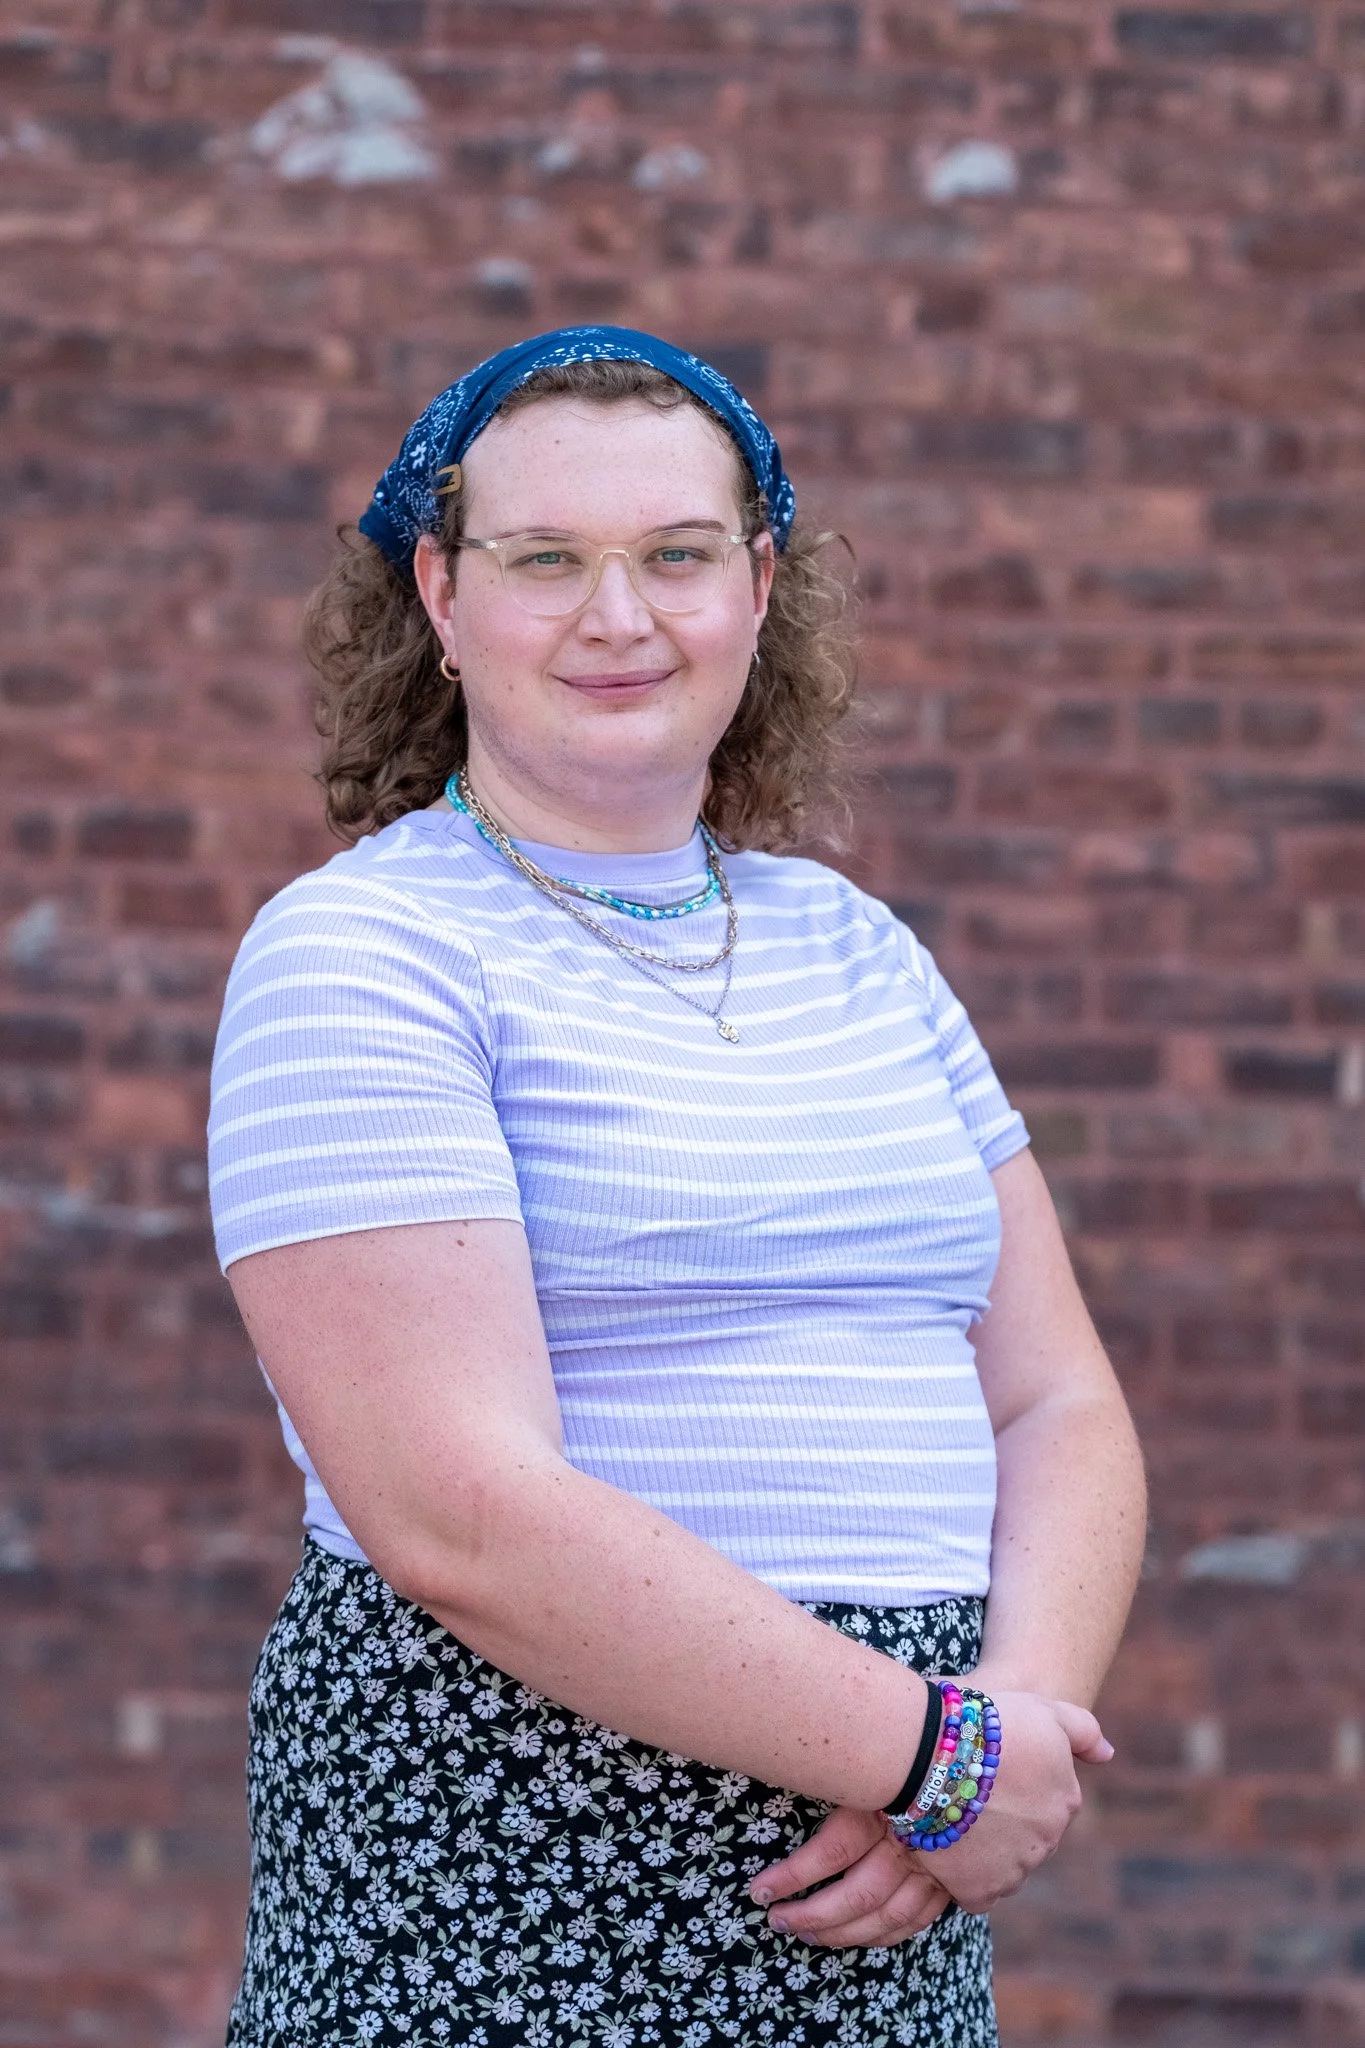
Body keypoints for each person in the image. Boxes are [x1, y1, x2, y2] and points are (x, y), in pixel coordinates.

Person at [208, 325, 1146, 2048]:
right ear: (439, 589)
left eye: (679, 556)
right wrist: (929, 1752)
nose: (618, 616)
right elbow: (458, 1517)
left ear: (760, 585)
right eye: (545, 559)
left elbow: (1059, 1397)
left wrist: (1009, 1727)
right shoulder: (359, 955)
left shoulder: (857, 952)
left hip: (886, 1887)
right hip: (505, 1876)